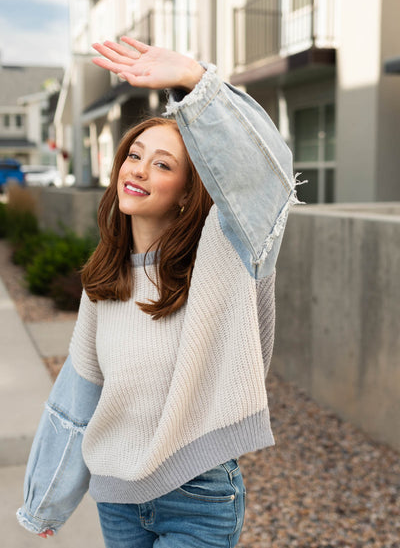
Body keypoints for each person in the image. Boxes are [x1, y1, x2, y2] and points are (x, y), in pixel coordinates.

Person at [16, 38, 300, 547]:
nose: (139, 169)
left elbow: (267, 177)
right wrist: (47, 501)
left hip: (198, 500)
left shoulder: (228, 253)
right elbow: (78, 401)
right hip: (117, 501)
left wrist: (196, 82)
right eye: (134, 155)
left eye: (164, 164)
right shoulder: (104, 279)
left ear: (190, 190)